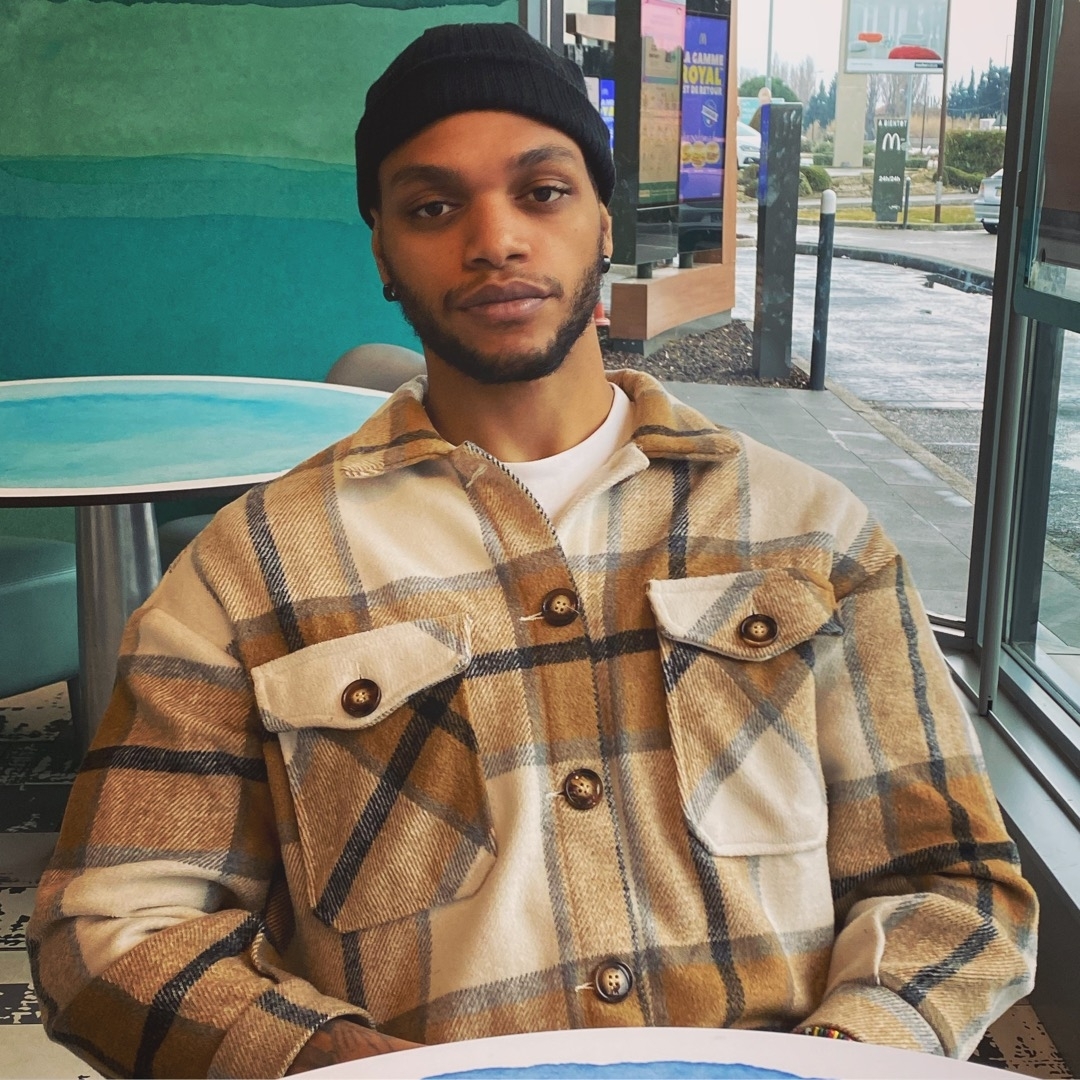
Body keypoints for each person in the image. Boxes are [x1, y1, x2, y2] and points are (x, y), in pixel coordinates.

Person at [30, 22, 1036, 1079]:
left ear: (604, 221)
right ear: (382, 252)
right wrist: (351, 1062)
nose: (495, 239)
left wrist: (835, 1059)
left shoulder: (810, 536)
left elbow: (952, 882)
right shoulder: (251, 575)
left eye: (543, 192)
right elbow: (112, 935)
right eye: (432, 207)